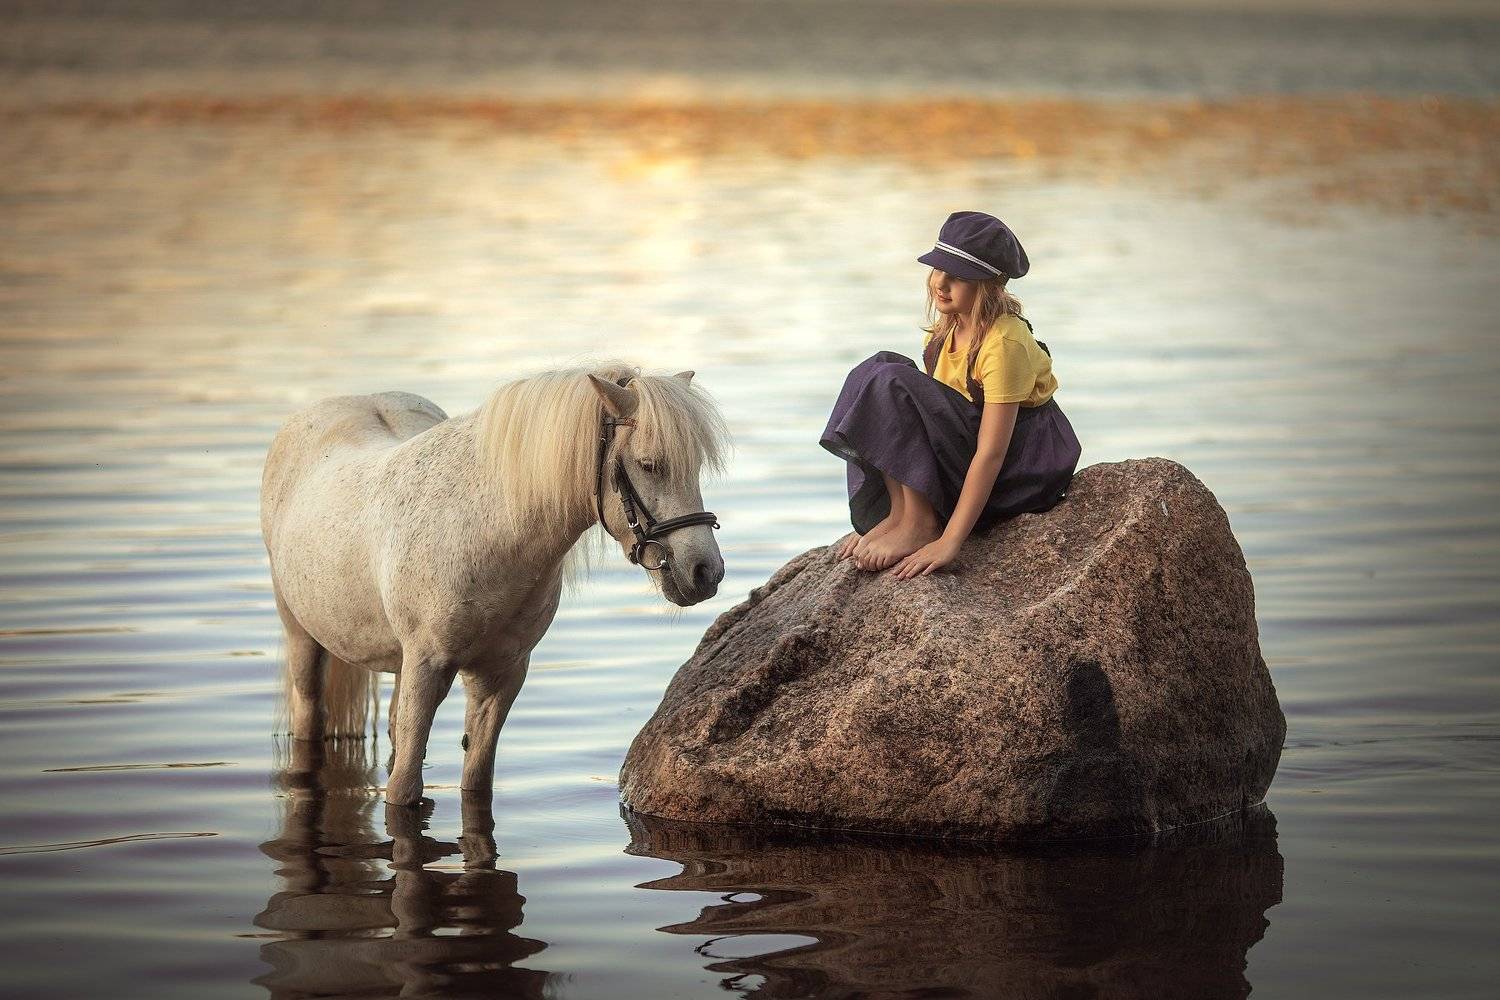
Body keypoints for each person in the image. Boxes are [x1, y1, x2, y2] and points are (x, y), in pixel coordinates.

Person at [819, 210, 1082, 579]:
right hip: (972, 449)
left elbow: (992, 452)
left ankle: (922, 525)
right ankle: (902, 516)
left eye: (956, 277)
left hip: (1021, 468)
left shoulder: (1003, 344)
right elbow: (920, 428)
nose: (940, 283)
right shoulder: (943, 334)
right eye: (937, 270)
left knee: (895, 382)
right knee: (876, 369)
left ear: (989, 285)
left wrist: (951, 541)